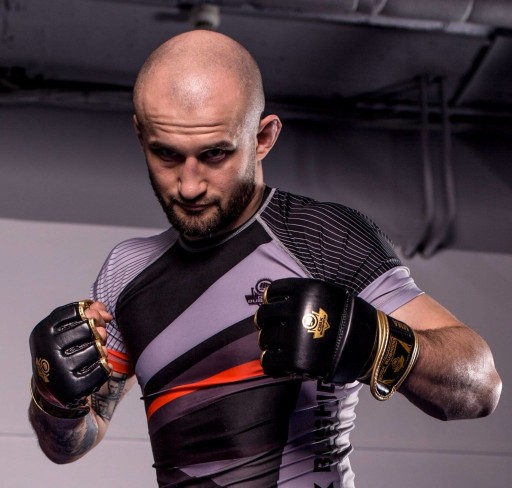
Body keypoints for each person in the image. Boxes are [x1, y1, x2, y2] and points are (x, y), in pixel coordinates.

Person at [28, 30, 502, 488]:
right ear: (140, 134)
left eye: (215, 154)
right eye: (167, 154)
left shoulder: (322, 237)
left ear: (263, 137)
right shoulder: (126, 270)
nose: (189, 186)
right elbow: (68, 445)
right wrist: (53, 399)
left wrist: (374, 344)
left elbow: (480, 387)